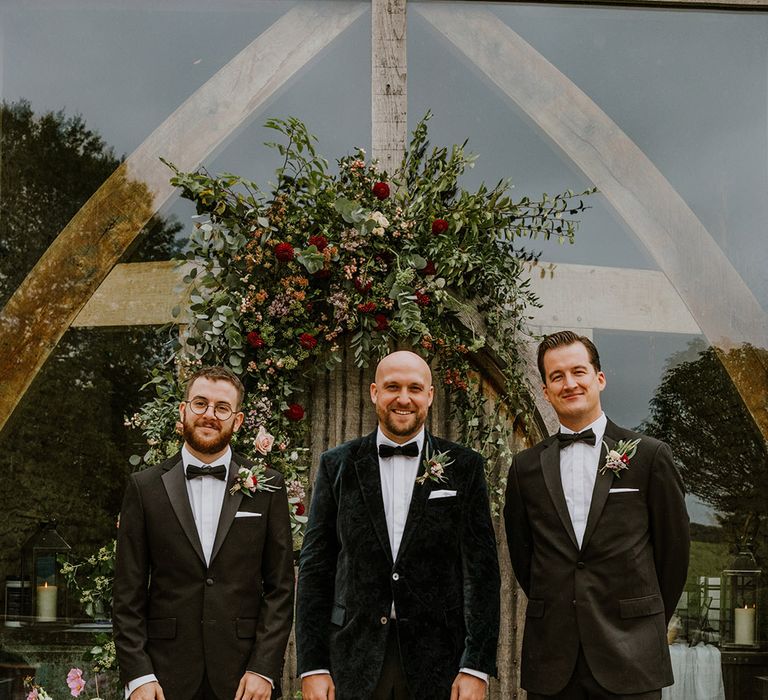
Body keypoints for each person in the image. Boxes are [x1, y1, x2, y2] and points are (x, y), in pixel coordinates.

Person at [296, 350, 500, 700]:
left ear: (430, 396)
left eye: (414, 388)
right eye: (393, 387)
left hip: (441, 665)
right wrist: (313, 665)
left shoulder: (464, 467)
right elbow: (316, 568)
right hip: (352, 660)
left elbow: (481, 574)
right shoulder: (337, 465)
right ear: (375, 392)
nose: (403, 398)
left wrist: (475, 665)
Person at [504, 331, 690, 699]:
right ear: (545, 390)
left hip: (631, 656)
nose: (569, 383)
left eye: (578, 372)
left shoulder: (650, 457)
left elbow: (675, 554)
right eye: (557, 376)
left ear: (599, 378)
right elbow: (524, 557)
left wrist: (642, 623)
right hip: (553, 660)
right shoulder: (524, 468)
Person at [113, 366, 294, 700]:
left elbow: (280, 588)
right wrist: (138, 675)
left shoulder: (268, 487)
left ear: (237, 421)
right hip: (163, 679)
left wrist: (264, 668)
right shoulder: (145, 487)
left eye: (222, 408)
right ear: (183, 411)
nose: (210, 415)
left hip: (244, 680)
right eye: (200, 403)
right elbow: (128, 593)